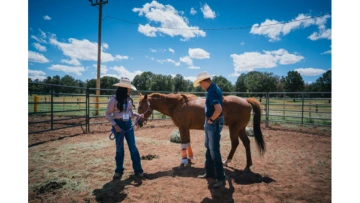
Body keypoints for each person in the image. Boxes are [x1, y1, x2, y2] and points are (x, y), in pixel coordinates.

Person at [105, 77, 144, 180]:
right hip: (118, 125)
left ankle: (138, 170)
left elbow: (129, 113)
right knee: (119, 148)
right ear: (124, 89)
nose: (130, 90)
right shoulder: (113, 100)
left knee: (133, 147)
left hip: (128, 125)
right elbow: (108, 114)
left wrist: (137, 115)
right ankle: (118, 170)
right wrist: (115, 125)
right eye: (128, 88)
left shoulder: (128, 99)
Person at [194, 72, 226, 189]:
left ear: (203, 82)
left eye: (200, 84)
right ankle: (209, 172)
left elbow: (218, 109)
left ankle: (220, 178)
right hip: (211, 122)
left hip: (214, 122)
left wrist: (211, 119)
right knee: (209, 147)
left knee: (214, 151)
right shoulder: (214, 88)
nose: (201, 86)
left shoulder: (212, 91)